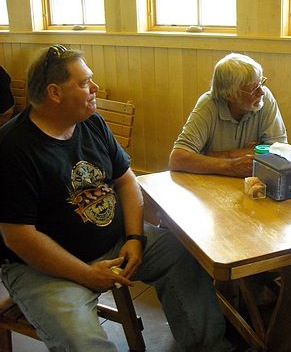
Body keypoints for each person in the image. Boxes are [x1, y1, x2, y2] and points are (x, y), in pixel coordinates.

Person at [0, 45, 231, 352]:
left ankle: (209, 347)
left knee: (181, 252)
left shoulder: (91, 122)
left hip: (115, 244)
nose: (94, 88)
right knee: (82, 342)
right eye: (84, 83)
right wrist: (86, 274)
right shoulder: (13, 148)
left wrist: (135, 237)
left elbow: (126, 180)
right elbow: (19, 237)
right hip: (45, 269)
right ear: (54, 93)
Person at [169, 53, 287, 178]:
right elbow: (177, 159)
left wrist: (216, 156)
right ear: (230, 95)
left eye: (261, 83)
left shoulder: (265, 98)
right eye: (254, 89)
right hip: (210, 185)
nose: (261, 92)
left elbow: (280, 151)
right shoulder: (208, 105)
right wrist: (231, 165)